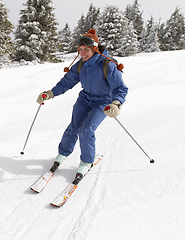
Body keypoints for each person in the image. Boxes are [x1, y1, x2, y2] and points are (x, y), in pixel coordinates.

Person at [36, 28, 128, 184]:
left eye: (86, 50)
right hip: (85, 99)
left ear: (94, 49)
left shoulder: (108, 65)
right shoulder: (80, 65)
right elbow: (67, 82)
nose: (83, 53)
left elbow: (121, 88)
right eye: (80, 50)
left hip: (103, 102)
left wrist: (116, 103)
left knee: (87, 130)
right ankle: (63, 153)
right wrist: (50, 93)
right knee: (74, 126)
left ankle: (86, 161)